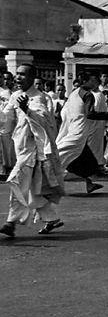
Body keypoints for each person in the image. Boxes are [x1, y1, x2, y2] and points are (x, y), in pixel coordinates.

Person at [0, 63, 65, 237]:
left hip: (34, 150)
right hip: (20, 147)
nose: (18, 78)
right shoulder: (16, 96)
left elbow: (44, 121)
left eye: (22, 75)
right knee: (32, 187)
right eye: (17, 74)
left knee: (16, 181)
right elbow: (6, 120)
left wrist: (27, 110)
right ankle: (51, 218)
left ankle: (11, 222)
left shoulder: (38, 98)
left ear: (31, 78)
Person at [57, 71, 108, 194]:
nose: (94, 83)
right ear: (85, 81)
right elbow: (91, 114)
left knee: (84, 159)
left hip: (74, 129)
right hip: (79, 132)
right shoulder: (88, 95)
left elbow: (65, 113)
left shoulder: (74, 94)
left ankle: (89, 183)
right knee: (66, 156)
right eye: (92, 81)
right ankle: (51, 181)